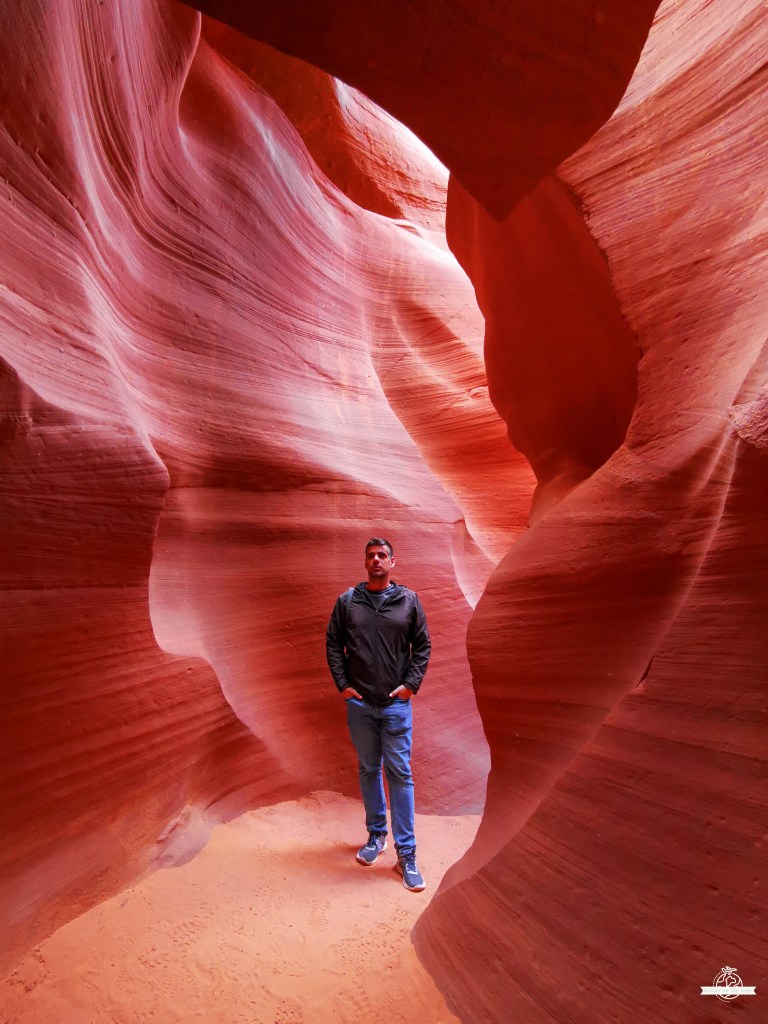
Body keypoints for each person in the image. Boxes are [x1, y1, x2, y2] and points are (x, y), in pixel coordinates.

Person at [325, 538, 431, 892]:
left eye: (382, 555)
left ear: (392, 562)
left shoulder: (408, 601)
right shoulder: (348, 602)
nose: (375, 560)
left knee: (400, 773)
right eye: (370, 556)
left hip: (396, 706)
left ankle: (407, 855)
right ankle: (376, 836)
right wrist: (343, 685)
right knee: (369, 769)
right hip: (361, 705)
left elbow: (423, 646)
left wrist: (410, 686)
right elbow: (333, 643)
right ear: (365, 562)